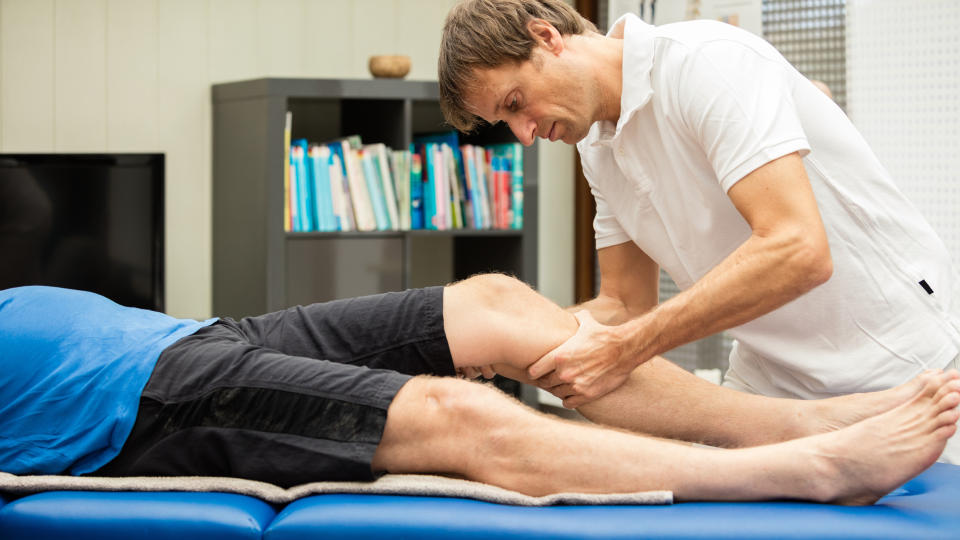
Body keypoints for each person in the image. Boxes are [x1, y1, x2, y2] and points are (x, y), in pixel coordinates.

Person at [437, 0, 960, 462]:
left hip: (902, 362)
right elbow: (625, 303)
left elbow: (798, 250)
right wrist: (501, 339)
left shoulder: (705, 63)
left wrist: (626, 349)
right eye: (506, 123)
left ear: (546, 38)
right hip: (771, 382)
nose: (525, 135)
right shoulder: (597, 148)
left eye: (514, 103)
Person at [0, 279, 959, 505]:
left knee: (495, 303)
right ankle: (810, 467)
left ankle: (793, 419)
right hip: (147, 404)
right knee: (458, 415)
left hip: (191, 335)